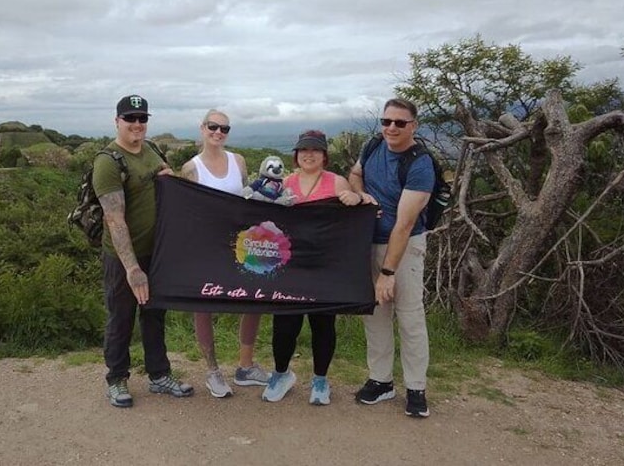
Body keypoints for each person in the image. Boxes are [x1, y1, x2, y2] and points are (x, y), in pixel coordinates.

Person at [93, 94, 194, 408]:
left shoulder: (150, 149)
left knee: (154, 315)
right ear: (117, 121)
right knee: (121, 317)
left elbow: (169, 181)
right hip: (123, 258)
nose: (137, 124)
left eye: (142, 118)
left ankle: (158, 375)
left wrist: (170, 177)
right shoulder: (108, 162)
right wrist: (132, 268)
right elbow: (114, 218)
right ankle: (117, 379)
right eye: (130, 119)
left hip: (156, 251)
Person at [261, 129, 371, 405]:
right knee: (285, 324)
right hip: (290, 266)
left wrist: (354, 199)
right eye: (303, 150)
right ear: (296, 155)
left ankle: (321, 380)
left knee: (323, 324)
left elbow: (354, 210)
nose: (309, 154)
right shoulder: (284, 183)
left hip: (325, 265)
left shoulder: (336, 182)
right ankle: (281, 374)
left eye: (315, 150)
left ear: (324, 156)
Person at [348, 97, 435, 418]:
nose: (391, 128)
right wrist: (361, 193)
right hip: (369, 242)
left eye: (400, 123)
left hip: (406, 245)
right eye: (386, 121)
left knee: (410, 315)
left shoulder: (420, 164)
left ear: (414, 125)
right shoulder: (373, 147)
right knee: (376, 314)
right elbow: (355, 174)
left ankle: (416, 387)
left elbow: (405, 223)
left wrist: (388, 272)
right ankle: (381, 380)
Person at [180, 109, 271, 398]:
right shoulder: (191, 168)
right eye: (213, 126)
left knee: (253, 300)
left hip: (241, 243)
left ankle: (245, 366)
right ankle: (212, 371)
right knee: (204, 305)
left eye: (224, 128)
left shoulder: (238, 161)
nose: (218, 132)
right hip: (207, 244)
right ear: (202, 128)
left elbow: (245, 197)